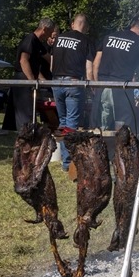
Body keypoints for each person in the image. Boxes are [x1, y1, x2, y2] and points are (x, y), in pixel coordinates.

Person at [93, 17, 139, 132]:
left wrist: (96, 84)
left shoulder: (109, 37)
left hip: (102, 87)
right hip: (121, 90)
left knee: (101, 130)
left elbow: (96, 63)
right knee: (126, 130)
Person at [51, 14, 95, 170]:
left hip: (55, 82)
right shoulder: (87, 41)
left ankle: (66, 161)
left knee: (63, 122)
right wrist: (93, 87)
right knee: (72, 124)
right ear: (86, 27)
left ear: (72, 24)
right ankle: (69, 164)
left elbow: (51, 64)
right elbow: (89, 70)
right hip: (74, 82)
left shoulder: (58, 38)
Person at [5, 18, 55, 132]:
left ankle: (27, 131)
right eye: (50, 31)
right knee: (25, 110)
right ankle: (26, 133)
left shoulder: (38, 43)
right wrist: (32, 81)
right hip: (23, 78)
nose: (51, 34)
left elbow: (49, 58)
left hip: (28, 77)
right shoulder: (30, 39)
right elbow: (24, 61)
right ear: (44, 29)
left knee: (30, 108)